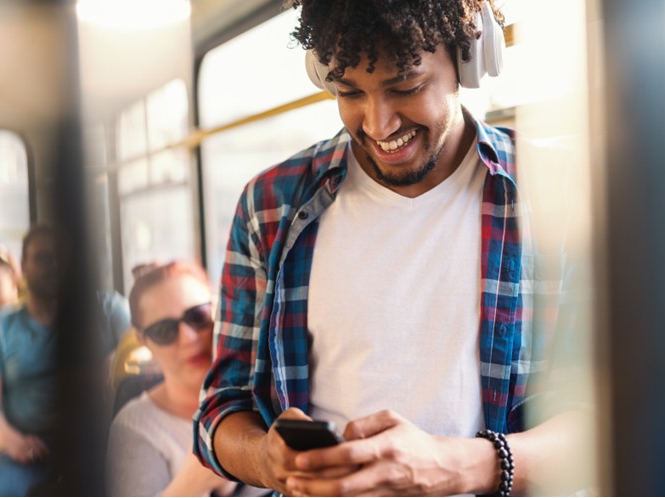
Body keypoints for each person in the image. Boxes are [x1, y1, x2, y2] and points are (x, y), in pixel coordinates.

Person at [195, 1, 583, 496]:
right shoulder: (269, 205)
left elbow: (615, 412)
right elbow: (220, 410)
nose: (378, 126)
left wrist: (464, 465)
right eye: (349, 92)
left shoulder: (559, 191)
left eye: (407, 87)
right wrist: (266, 460)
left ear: (469, 56)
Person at [106, 261, 255, 497]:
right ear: (144, 340)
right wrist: (191, 483)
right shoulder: (134, 427)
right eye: (164, 331)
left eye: (198, 316)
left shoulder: (266, 391)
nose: (188, 338)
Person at [0, 225, 61, 496]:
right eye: (42, 258)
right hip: (22, 441)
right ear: (24, 266)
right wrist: (14, 443)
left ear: (13, 277)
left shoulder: (104, 312)